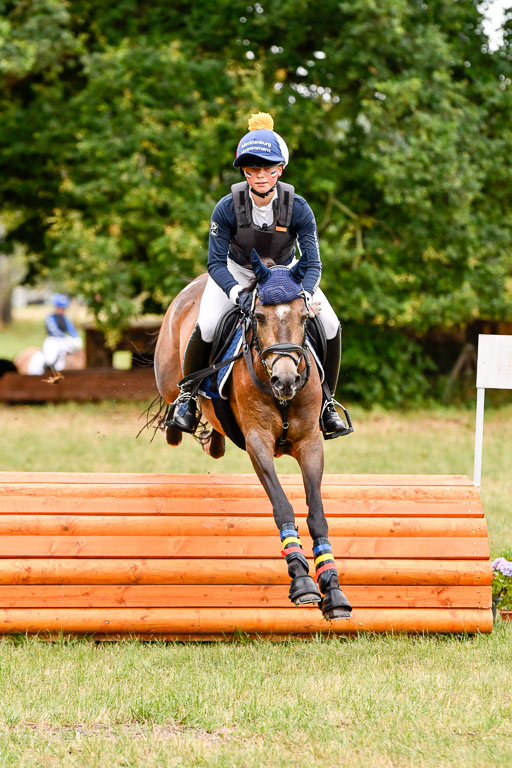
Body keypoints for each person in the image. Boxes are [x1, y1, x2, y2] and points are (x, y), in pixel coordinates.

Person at [170, 112, 350, 439]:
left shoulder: (299, 207)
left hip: (287, 276)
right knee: (208, 324)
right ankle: (187, 399)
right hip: (236, 272)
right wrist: (236, 293)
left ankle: (327, 403)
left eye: (268, 169)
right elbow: (215, 264)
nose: (261, 175)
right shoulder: (226, 208)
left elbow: (314, 264)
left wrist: (306, 294)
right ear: (244, 171)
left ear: (280, 170)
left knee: (331, 324)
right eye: (253, 169)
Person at [27, 294, 83, 375]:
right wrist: (65, 336)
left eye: (63, 308)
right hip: (52, 340)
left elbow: (71, 329)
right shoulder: (50, 318)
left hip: (63, 341)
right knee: (50, 358)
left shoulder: (66, 318)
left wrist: (76, 338)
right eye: (60, 308)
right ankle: (47, 371)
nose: (61, 310)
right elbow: (54, 330)